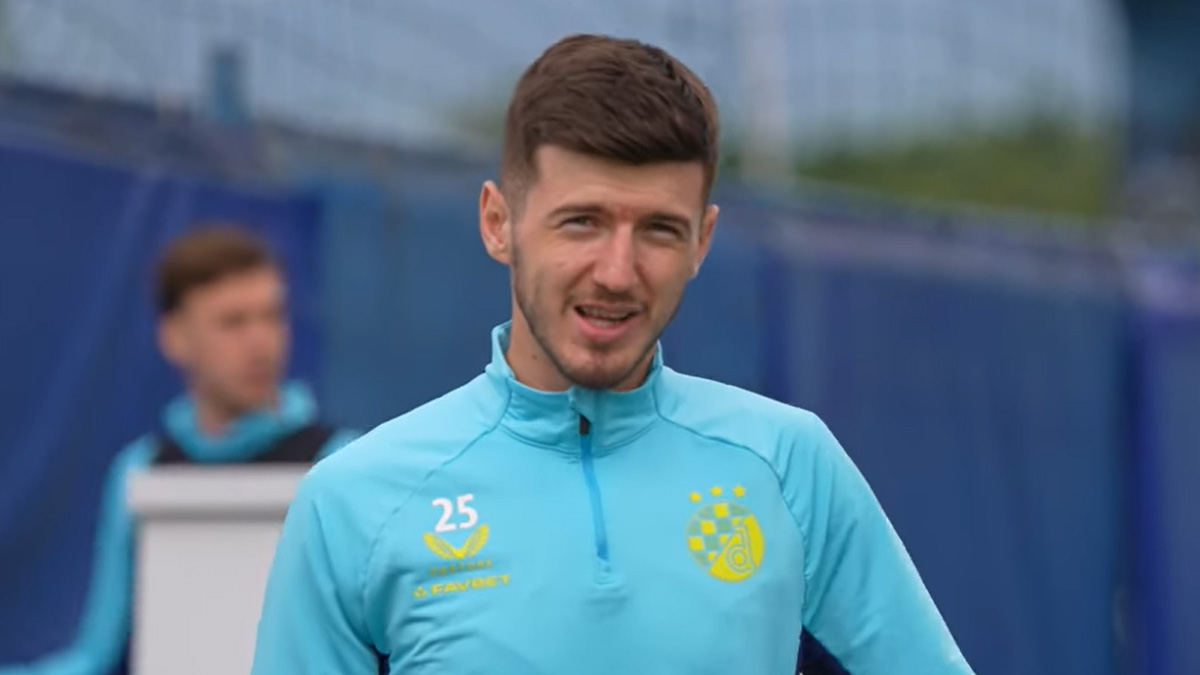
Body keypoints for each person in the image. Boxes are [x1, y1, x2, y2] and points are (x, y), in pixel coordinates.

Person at [251, 34, 975, 675]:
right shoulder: (354, 502)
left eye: (659, 229)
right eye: (582, 222)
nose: (618, 272)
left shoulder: (789, 465)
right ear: (499, 223)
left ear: (702, 241)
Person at [1, 226, 357, 675]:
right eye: (232, 322)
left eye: (272, 316)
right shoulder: (140, 468)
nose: (260, 342)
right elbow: (96, 655)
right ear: (175, 337)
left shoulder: (344, 462)